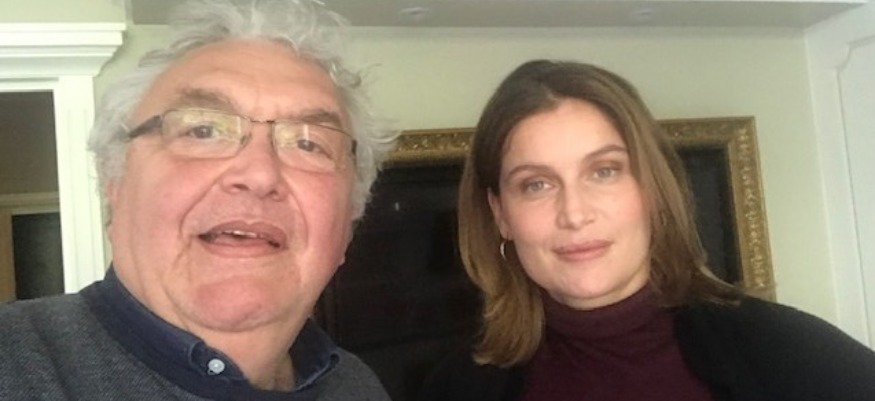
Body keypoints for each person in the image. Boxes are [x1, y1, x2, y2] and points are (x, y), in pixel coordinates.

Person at [0, 0, 397, 400]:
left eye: (309, 144)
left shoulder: (357, 387)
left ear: (347, 225)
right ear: (115, 186)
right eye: (203, 130)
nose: (259, 174)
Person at [417, 60, 875, 401]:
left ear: (653, 190)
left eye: (604, 171)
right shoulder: (457, 388)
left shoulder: (793, 355)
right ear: (500, 214)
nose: (574, 213)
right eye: (536, 184)